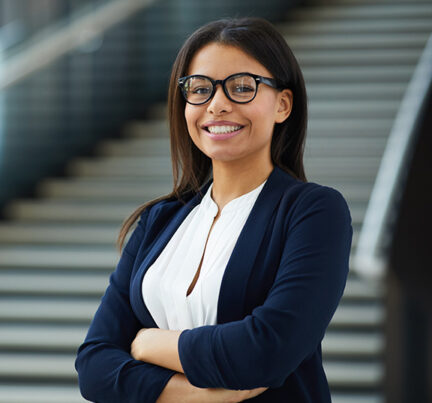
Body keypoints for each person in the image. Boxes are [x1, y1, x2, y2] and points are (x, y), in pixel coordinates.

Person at [75, 17, 352, 403]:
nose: (217, 105)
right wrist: (201, 397)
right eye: (200, 89)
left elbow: (265, 351)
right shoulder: (160, 220)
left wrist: (147, 343)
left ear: (283, 105)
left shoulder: (314, 212)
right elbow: (93, 367)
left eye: (241, 87)